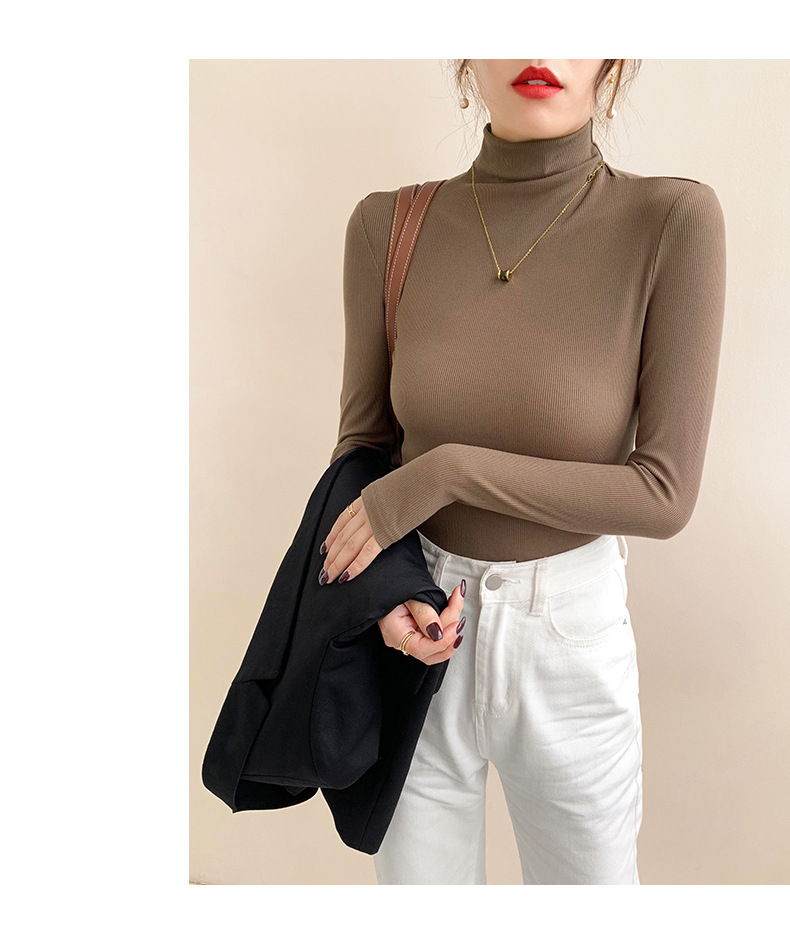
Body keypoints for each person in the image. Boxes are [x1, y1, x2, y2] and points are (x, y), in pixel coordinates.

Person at [320, 59, 727, 884]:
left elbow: (664, 492)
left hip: (568, 643)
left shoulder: (671, 222)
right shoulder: (386, 227)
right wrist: (387, 593)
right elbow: (362, 451)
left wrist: (449, 471)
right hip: (416, 629)